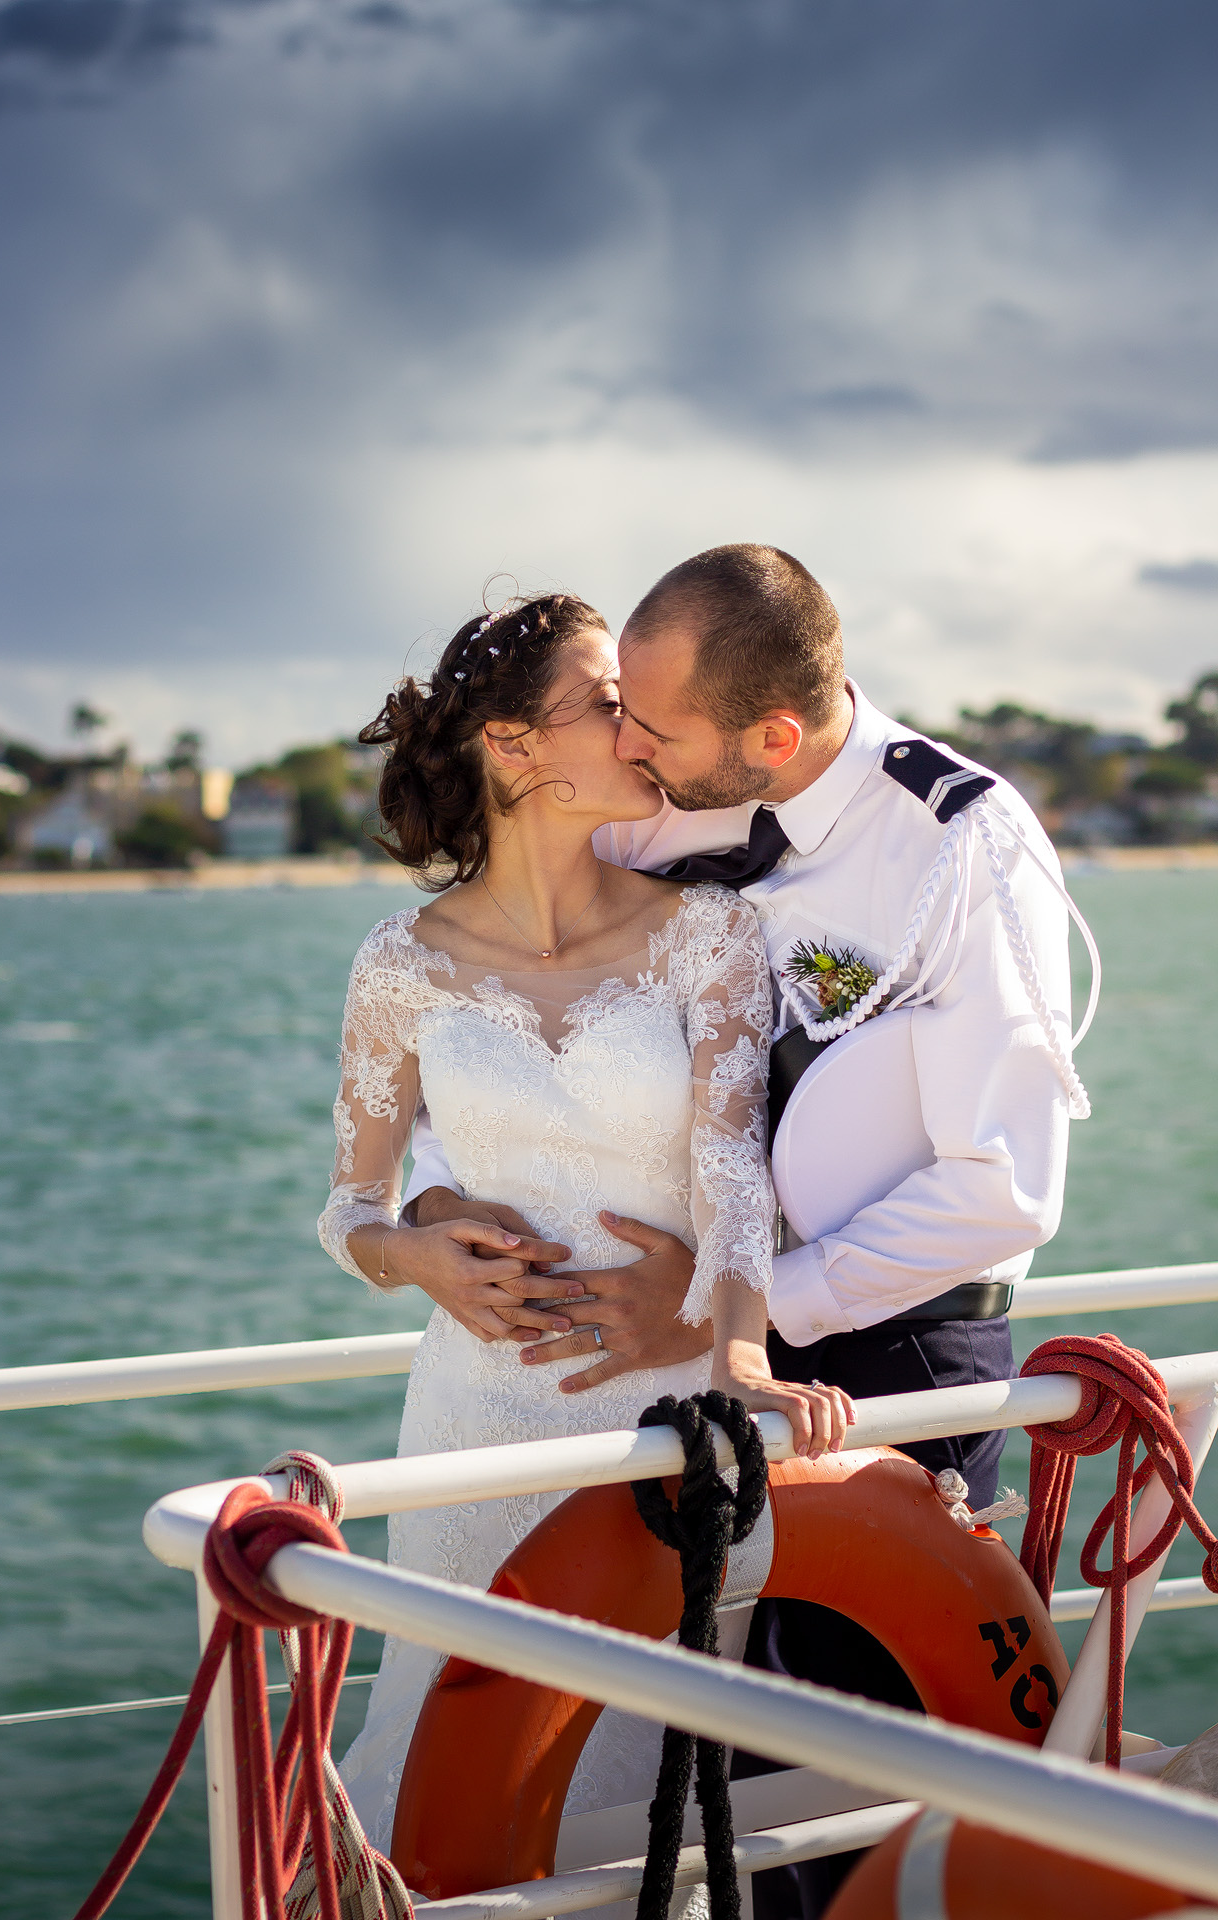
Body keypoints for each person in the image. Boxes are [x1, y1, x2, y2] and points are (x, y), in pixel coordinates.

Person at [404, 546, 1086, 1919]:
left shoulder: (954, 849)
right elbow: (508, 1014)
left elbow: (1005, 1187)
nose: (631, 751)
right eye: (621, 716)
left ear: (773, 734)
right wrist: (430, 1193)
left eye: (655, 727)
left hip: (889, 1362)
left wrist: (751, 1297)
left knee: (862, 1785)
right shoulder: (661, 804)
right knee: (712, 1774)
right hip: (699, 1364)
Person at [317, 590, 852, 1854]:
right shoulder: (399, 962)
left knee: (631, 1807)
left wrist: (736, 1358)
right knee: (447, 1777)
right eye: (608, 706)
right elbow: (349, 1206)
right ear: (514, 750)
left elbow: (734, 1174)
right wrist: (411, 1253)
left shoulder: (710, 936)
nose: (641, 734)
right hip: (468, 1432)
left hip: (653, 1428)